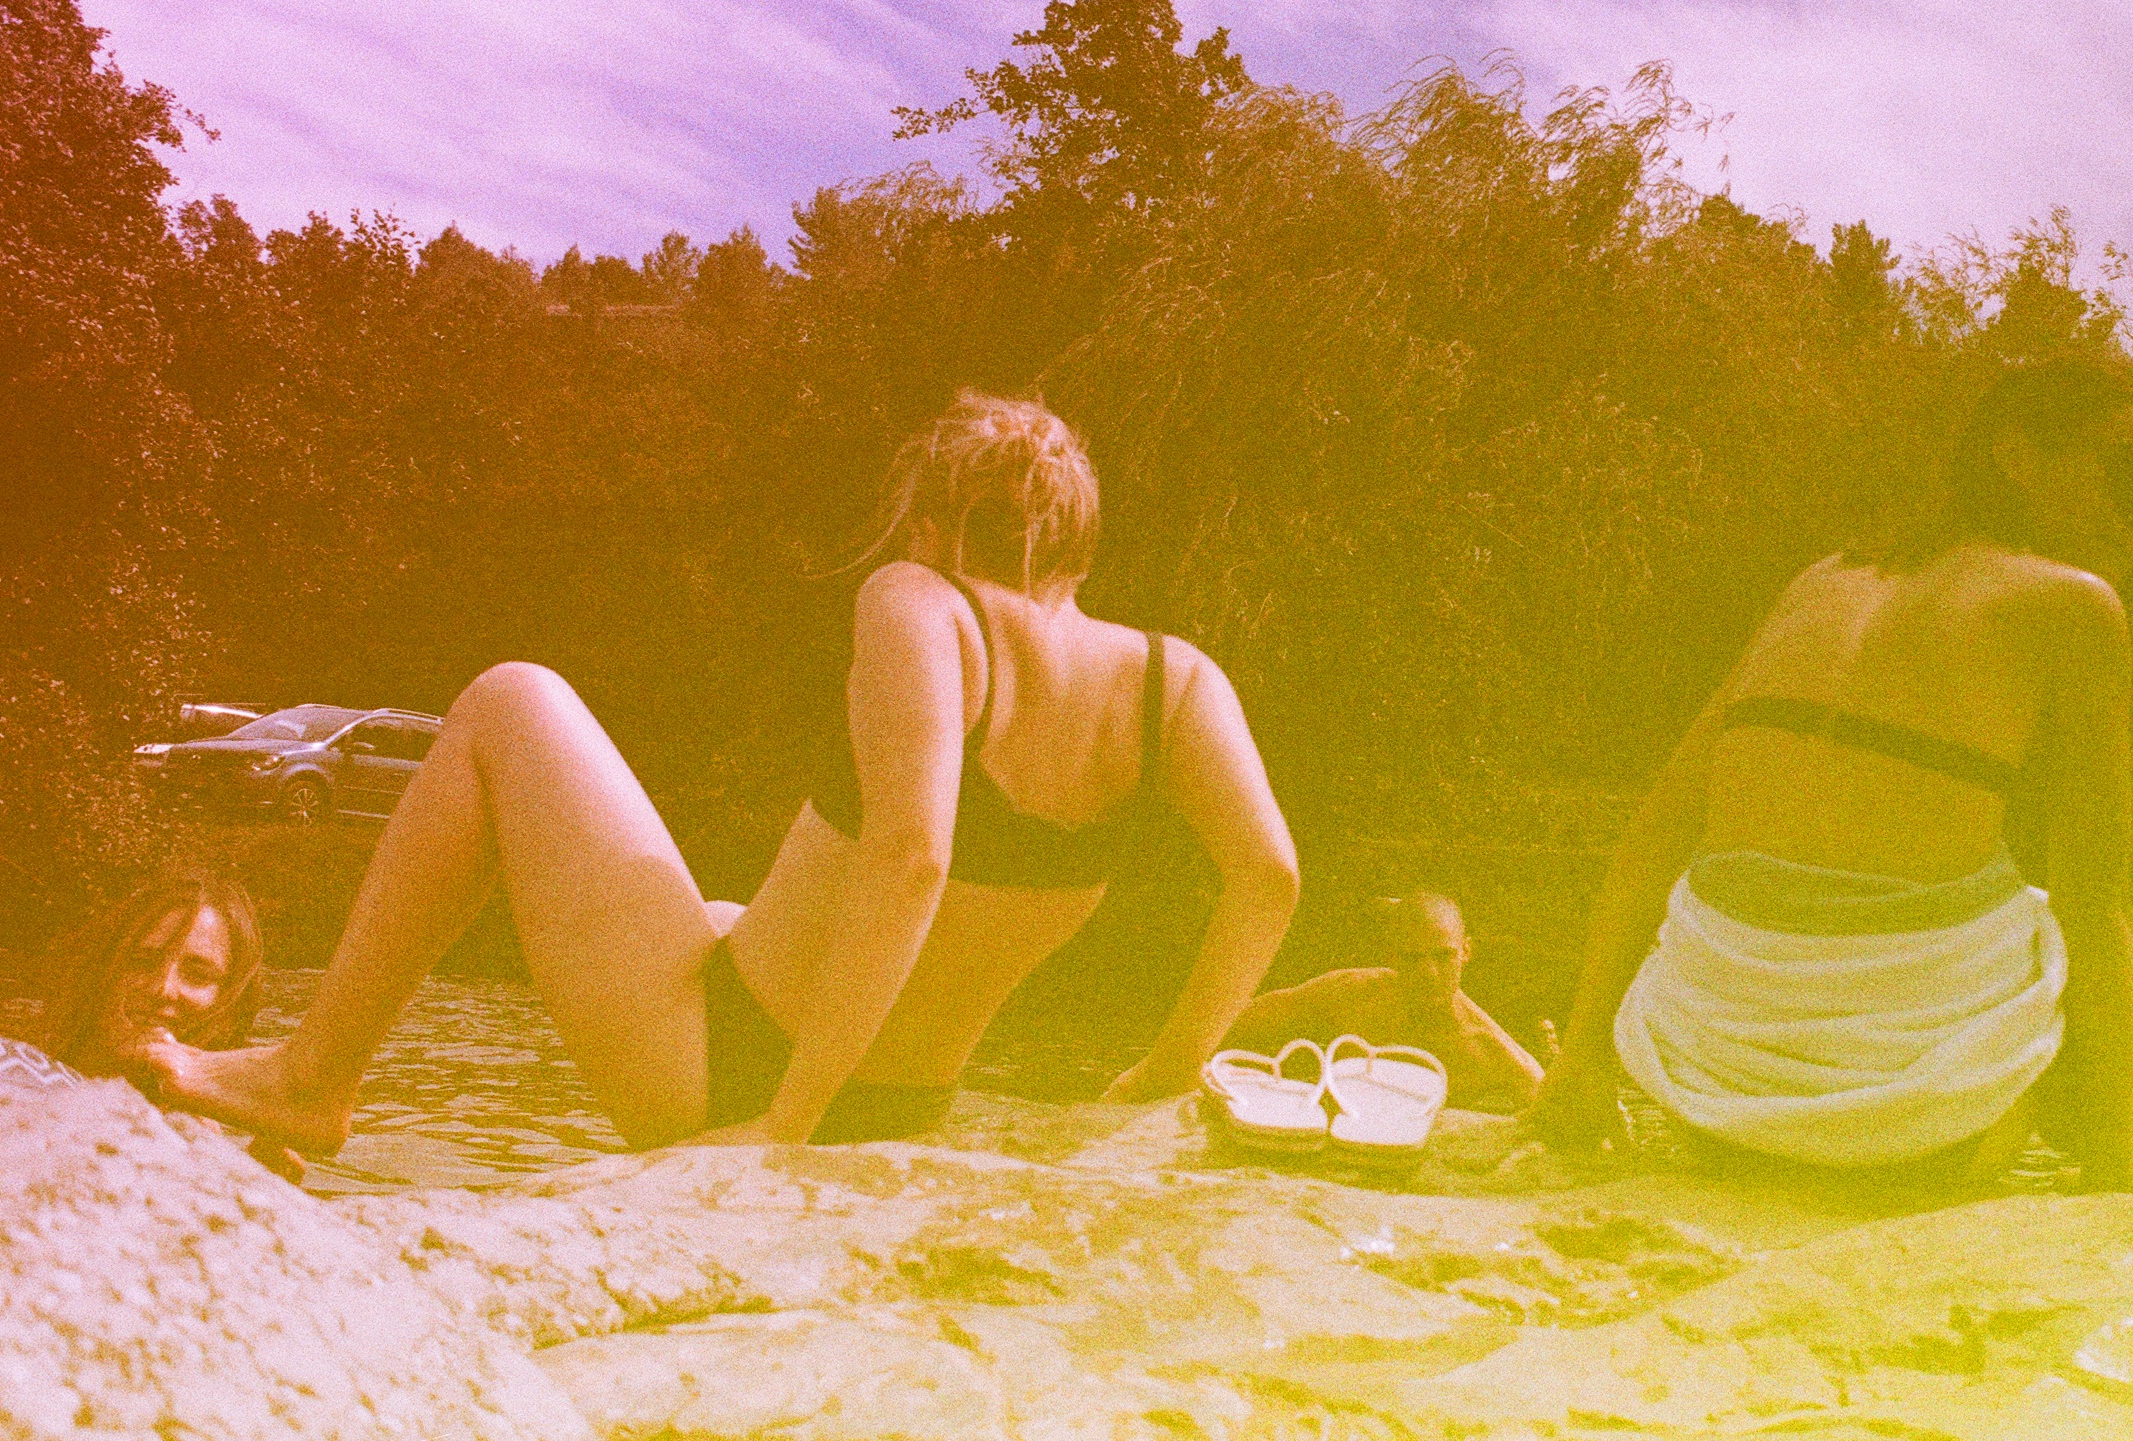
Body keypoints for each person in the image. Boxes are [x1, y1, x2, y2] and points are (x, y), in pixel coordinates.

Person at [141, 391, 1303, 1154]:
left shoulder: (919, 599)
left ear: (932, 522)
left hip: (741, 1075)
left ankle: (312, 1075)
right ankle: (313, 1070)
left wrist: (782, 1126)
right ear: (1079, 541)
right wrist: (1166, 1069)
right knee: (723, 909)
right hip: (909, 1106)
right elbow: (1269, 879)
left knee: (508, 698)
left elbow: (913, 855)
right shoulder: (1176, 683)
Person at [1529, 343, 2133, 1188]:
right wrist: (2120, 1178)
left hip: (1710, 1100)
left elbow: (1658, 831)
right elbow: (2097, 899)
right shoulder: (2077, 605)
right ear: (2017, 457)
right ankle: (2085, 1153)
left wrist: (1582, 1060)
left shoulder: (1822, 577)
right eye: (2128, 475)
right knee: (2046, 914)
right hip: (1919, 1137)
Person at [1222, 893, 1548, 1108]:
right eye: (1412, 958)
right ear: (1391, 955)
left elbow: (1548, 1107)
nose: (1429, 973)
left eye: (1443, 956)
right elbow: (1237, 1020)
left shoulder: (1490, 1050)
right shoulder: (1352, 993)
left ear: (1466, 951)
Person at [38, 869, 266, 1078]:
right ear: (100, 967)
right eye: (141, 962)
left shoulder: (241, 1104)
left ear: (233, 999)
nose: (162, 988)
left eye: (198, 975)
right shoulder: (22, 1076)